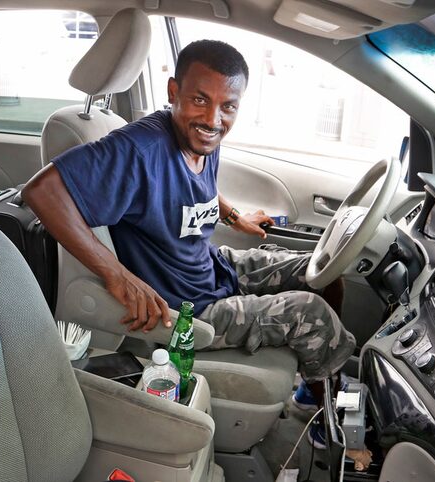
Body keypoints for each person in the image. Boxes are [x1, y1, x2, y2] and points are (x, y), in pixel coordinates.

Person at [23, 40, 355, 448]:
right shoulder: (137, 149)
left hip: (213, 265)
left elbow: (199, 190)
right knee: (314, 313)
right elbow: (42, 192)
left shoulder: (200, 137)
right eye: (200, 99)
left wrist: (235, 217)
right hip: (188, 307)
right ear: (173, 93)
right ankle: (329, 425)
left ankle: (312, 387)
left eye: (227, 106)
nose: (213, 118)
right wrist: (117, 274)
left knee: (321, 272)